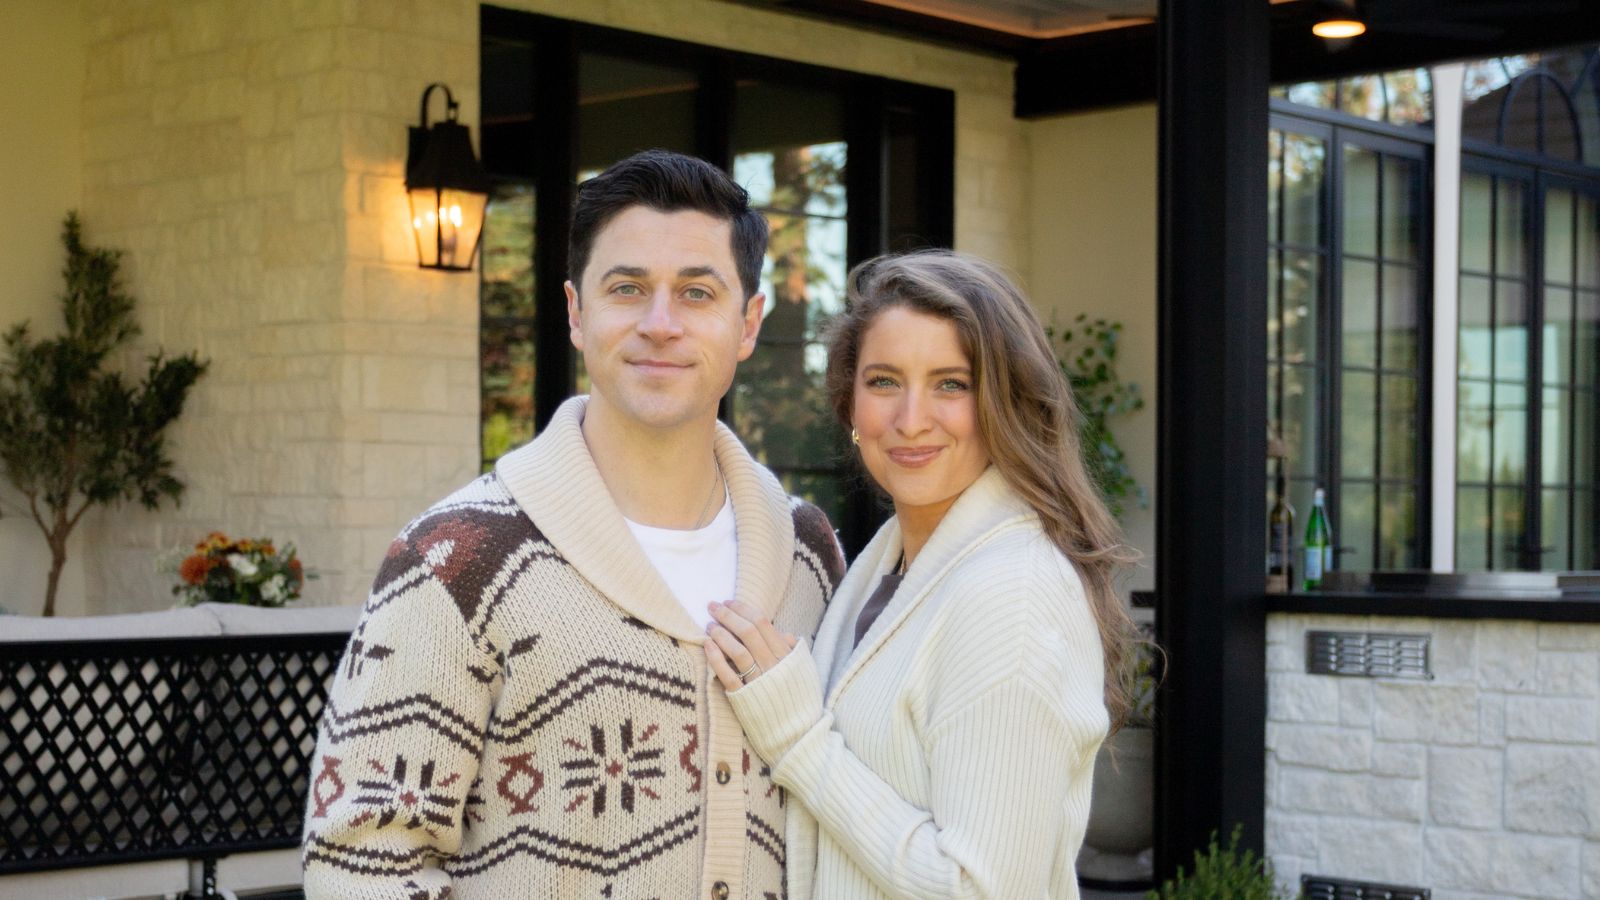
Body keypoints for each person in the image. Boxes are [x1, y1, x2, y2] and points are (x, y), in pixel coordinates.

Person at [302, 149, 845, 899]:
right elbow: (360, 863)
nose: (660, 324)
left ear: (747, 322)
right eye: (627, 289)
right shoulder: (456, 557)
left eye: (697, 292)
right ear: (575, 313)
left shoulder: (808, 556)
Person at [704, 249, 1138, 898]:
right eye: (883, 381)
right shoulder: (885, 566)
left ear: (1005, 403)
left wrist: (798, 737)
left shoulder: (1009, 594)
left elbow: (980, 889)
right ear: (850, 405)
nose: (910, 419)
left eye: (951, 384)